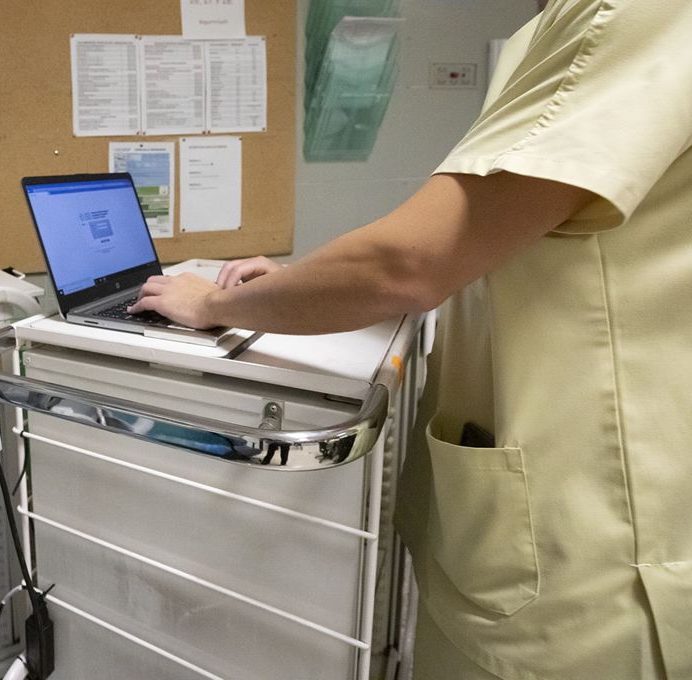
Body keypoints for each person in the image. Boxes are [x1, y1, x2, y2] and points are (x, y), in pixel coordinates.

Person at [128, 1, 692, 678]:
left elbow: (412, 264)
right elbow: (497, 248)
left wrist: (215, 303)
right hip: (539, 516)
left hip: (588, 548)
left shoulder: (639, 12)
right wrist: (303, 286)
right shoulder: (567, 24)